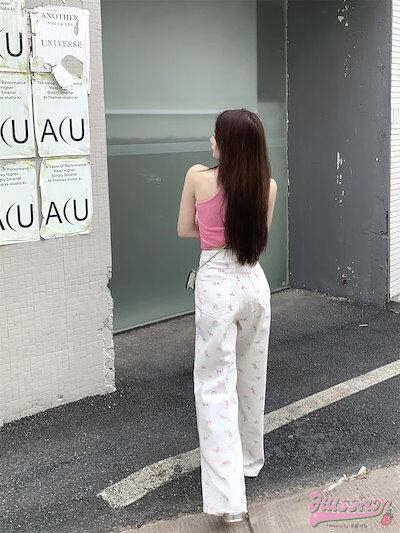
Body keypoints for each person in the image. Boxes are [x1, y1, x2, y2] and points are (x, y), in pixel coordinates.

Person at [177, 108, 277, 524]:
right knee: (251, 375)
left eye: (216, 135)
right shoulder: (266, 186)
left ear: (228, 143)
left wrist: (209, 225)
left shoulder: (197, 177)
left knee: (215, 385)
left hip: (216, 282)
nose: (211, 140)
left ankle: (229, 500)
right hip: (254, 281)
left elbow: (184, 229)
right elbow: (258, 238)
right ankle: (249, 460)